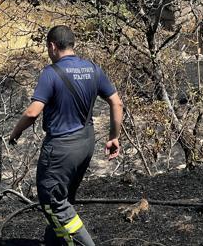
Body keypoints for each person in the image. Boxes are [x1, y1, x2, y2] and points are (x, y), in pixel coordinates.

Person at [8, 25, 123, 246]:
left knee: (53, 202)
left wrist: (15, 132)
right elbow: (116, 102)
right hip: (86, 143)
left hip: (61, 149)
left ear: (52, 46)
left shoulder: (50, 73)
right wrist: (113, 136)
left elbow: (33, 112)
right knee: (64, 198)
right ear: (73, 44)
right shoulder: (93, 69)